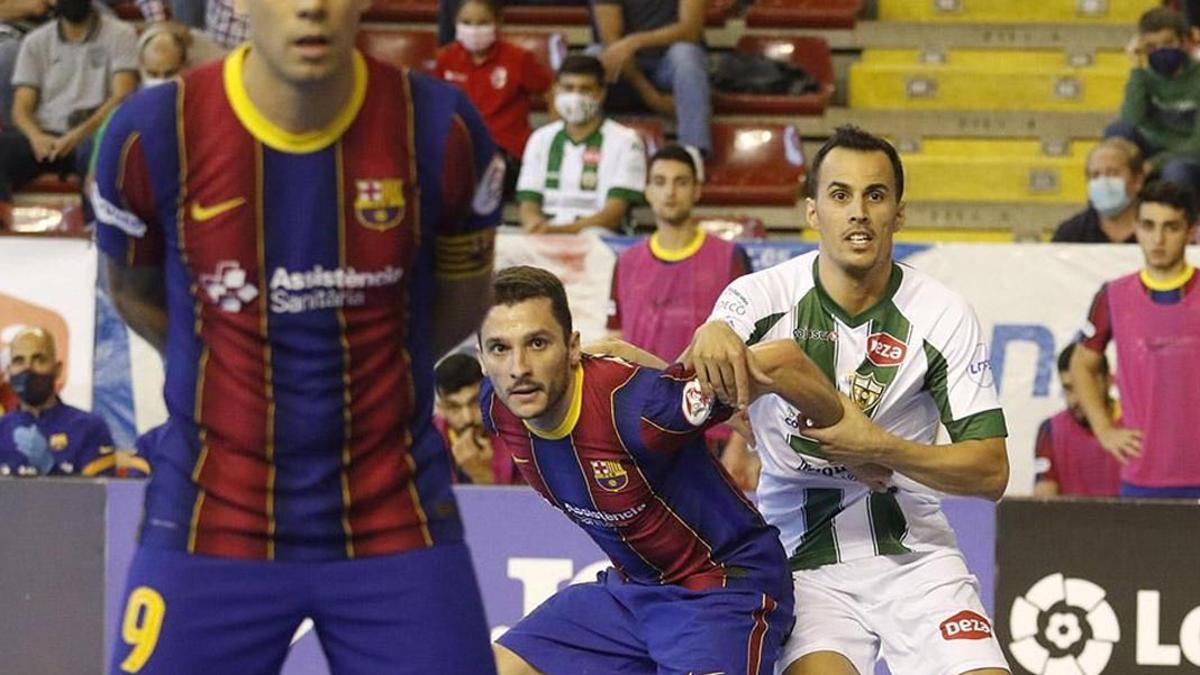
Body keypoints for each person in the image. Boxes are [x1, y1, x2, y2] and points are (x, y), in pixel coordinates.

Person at [89, 0, 503, 666]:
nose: (310, 6)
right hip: (209, 519)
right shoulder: (150, 133)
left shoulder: (442, 130)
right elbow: (133, 292)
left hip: (394, 517)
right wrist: (225, 369)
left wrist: (371, 372)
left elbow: (459, 301)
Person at [686, 125, 1011, 675]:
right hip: (801, 561)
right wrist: (712, 334)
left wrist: (879, 447)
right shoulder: (763, 294)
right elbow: (711, 345)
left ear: (898, 215)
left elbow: (991, 473)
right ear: (813, 211)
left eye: (875, 195)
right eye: (840, 195)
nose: (858, 212)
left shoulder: (941, 313)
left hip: (915, 554)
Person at [479, 265, 850, 675]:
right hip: (631, 595)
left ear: (572, 348)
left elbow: (783, 361)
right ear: (481, 358)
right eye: (499, 348)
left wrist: (855, 446)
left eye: (537, 343)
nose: (518, 367)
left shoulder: (639, 409)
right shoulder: (498, 403)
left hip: (722, 591)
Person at [1070, 180, 1200, 499]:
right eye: (1148, 226)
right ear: (1136, 229)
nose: (1158, 239)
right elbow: (1081, 364)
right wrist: (1103, 429)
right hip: (1142, 476)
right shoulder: (1113, 296)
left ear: (1190, 231)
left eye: (1170, 227)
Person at [0, 0, 136, 228]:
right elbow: (21, 108)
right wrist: (36, 137)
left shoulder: (121, 34)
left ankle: (96, 229)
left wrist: (78, 134)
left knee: (97, 149)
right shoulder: (36, 41)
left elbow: (122, 96)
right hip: (46, 138)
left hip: (90, 133)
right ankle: (3, 224)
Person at [435, 0, 553, 199]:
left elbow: (552, 93)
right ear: (456, 22)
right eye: (467, 22)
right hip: (460, 150)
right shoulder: (446, 59)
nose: (474, 29)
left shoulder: (518, 58)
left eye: (482, 23)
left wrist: (552, 141)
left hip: (506, 153)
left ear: (498, 22)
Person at [516, 54, 646, 234]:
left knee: (593, 235)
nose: (575, 96)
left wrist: (559, 232)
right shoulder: (540, 139)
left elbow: (614, 214)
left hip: (600, 237)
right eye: (568, 88)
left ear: (601, 94)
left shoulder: (627, 141)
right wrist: (534, 224)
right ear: (556, 90)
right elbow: (528, 200)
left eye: (585, 89)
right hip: (547, 234)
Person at [593, 0, 711, 158]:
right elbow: (612, 43)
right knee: (591, 59)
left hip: (669, 65)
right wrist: (653, 98)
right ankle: (584, 152)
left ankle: (694, 153)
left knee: (686, 54)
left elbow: (691, 30)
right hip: (627, 69)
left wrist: (634, 41)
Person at [0, 327, 118, 477]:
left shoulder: (90, 428)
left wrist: (50, 467)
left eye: (39, 359)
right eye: (19, 361)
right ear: (9, 371)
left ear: (57, 369)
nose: (27, 368)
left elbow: (101, 496)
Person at [1108, 7, 1200, 193]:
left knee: (1175, 171)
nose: (1160, 51)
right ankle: (1114, 210)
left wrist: (1153, 164)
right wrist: (1136, 68)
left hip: (1188, 156)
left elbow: (1197, 144)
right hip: (1152, 149)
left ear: (1183, 42)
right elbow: (1130, 120)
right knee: (1117, 131)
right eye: (1151, 47)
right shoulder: (1144, 76)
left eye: (1167, 43)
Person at [1033, 344, 1121, 497]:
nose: (1075, 399)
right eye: (1068, 388)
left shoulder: (1137, 426)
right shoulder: (1050, 430)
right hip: (1069, 521)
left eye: (1084, 386)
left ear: (1108, 381)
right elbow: (1043, 502)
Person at [434, 351, 521, 485]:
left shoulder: (521, 434)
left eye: (475, 402)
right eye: (453, 407)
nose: (467, 418)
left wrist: (481, 473)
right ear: (441, 409)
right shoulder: (428, 440)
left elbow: (527, 503)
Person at [1052, 138, 1145, 243]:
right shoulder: (1070, 234)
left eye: (1113, 173)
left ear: (1137, 180)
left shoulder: (1159, 232)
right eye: (1095, 175)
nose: (1103, 182)